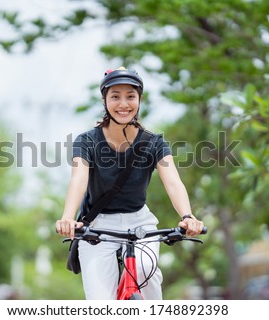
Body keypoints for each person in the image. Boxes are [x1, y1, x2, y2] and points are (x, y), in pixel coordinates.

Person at [55, 67, 204, 300]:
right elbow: (79, 179)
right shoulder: (87, 141)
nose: (123, 104)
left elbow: (173, 181)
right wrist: (68, 217)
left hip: (139, 223)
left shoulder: (154, 142)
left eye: (130, 96)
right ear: (104, 100)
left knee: (147, 272)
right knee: (99, 304)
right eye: (115, 96)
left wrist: (187, 216)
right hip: (97, 228)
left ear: (139, 100)